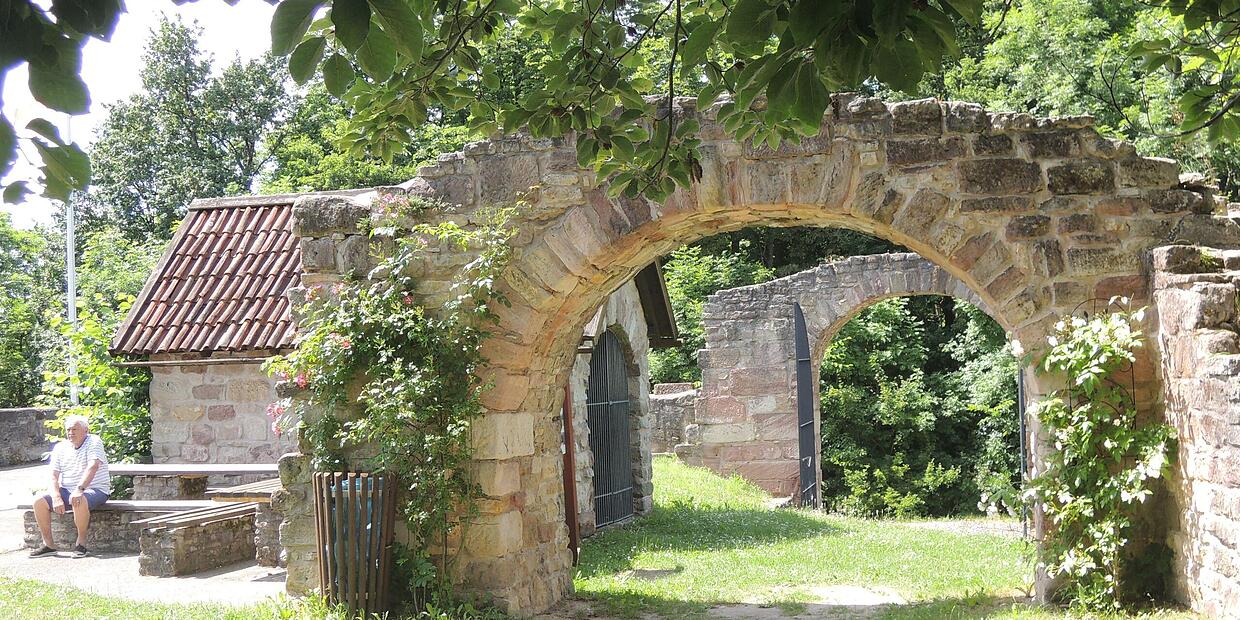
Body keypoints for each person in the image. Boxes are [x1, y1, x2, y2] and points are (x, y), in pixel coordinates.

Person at [28, 415, 111, 558]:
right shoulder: (61, 447)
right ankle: (49, 545)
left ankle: (81, 544)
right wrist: (56, 496)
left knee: (79, 499)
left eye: (74, 429)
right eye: (68, 430)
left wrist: (79, 490)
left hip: (95, 489)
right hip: (67, 490)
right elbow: (53, 475)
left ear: (86, 430)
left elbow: (93, 466)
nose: (71, 432)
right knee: (38, 501)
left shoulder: (94, 441)